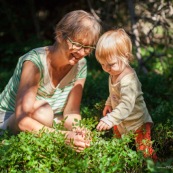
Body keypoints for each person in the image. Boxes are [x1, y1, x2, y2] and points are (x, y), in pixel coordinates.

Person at [0, 10, 101, 151]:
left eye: (88, 47)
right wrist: (64, 137)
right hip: (10, 122)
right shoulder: (35, 63)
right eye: (77, 44)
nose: (82, 53)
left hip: (49, 122)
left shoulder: (80, 65)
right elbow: (22, 120)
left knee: (54, 119)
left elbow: (71, 112)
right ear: (60, 36)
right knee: (43, 112)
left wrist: (79, 131)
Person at [95, 29, 157, 161]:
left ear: (126, 57)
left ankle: (157, 168)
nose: (106, 68)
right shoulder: (114, 72)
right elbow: (114, 92)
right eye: (102, 64)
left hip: (137, 122)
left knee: (144, 150)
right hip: (121, 119)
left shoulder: (128, 80)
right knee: (118, 144)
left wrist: (110, 119)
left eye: (110, 64)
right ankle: (118, 163)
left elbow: (127, 104)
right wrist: (108, 102)